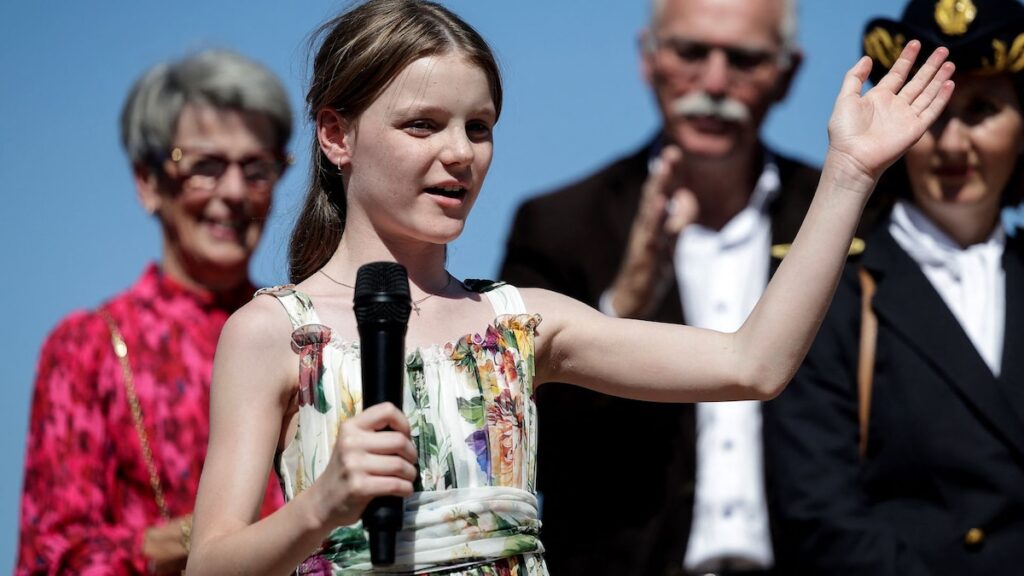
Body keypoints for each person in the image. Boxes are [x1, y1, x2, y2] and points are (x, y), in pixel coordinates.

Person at [184, 0, 954, 574]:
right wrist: (319, 508)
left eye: (478, 127)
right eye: (422, 125)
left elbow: (753, 363)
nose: (460, 153)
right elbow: (210, 563)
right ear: (336, 135)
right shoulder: (272, 334)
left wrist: (849, 173)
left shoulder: (522, 323)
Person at [499, 0, 868, 573]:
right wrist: (623, 302)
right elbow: (519, 444)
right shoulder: (560, 224)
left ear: (788, 74)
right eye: (691, 52)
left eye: (744, 59)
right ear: (647, 58)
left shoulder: (848, 215)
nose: (715, 83)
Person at [763, 0, 1024, 574]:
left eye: (981, 110)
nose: (952, 144)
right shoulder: (829, 287)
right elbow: (818, 511)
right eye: (932, 111)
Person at [16, 50, 293, 575]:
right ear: (147, 182)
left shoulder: (304, 333)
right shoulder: (87, 348)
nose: (235, 192)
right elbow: (50, 557)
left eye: (257, 169)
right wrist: (209, 538)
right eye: (206, 167)